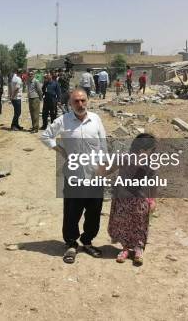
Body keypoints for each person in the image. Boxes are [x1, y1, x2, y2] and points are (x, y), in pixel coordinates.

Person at [40, 88, 108, 264]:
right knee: (72, 212)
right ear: (70, 104)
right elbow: (46, 136)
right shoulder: (63, 120)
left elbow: (103, 144)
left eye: (83, 100)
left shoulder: (96, 119)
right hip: (74, 176)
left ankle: (87, 242)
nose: (80, 104)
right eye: (76, 101)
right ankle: (71, 244)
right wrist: (61, 150)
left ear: (88, 101)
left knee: (94, 212)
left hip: (94, 176)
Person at [107, 133, 158, 265]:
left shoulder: (151, 164)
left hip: (141, 200)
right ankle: (125, 249)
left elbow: (153, 183)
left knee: (140, 224)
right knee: (123, 224)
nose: (147, 153)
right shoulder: (125, 159)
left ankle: (138, 249)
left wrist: (152, 200)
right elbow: (109, 169)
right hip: (123, 199)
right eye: (147, 150)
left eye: (150, 151)